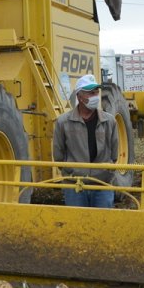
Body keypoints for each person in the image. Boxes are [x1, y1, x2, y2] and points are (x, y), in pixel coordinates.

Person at [53, 74, 119, 208]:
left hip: (102, 183)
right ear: (79, 96)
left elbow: (114, 154)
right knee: (78, 225)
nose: (95, 96)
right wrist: (71, 172)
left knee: (102, 223)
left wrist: (107, 172)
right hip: (75, 185)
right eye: (90, 93)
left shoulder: (109, 121)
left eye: (96, 92)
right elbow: (58, 155)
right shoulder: (63, 122)